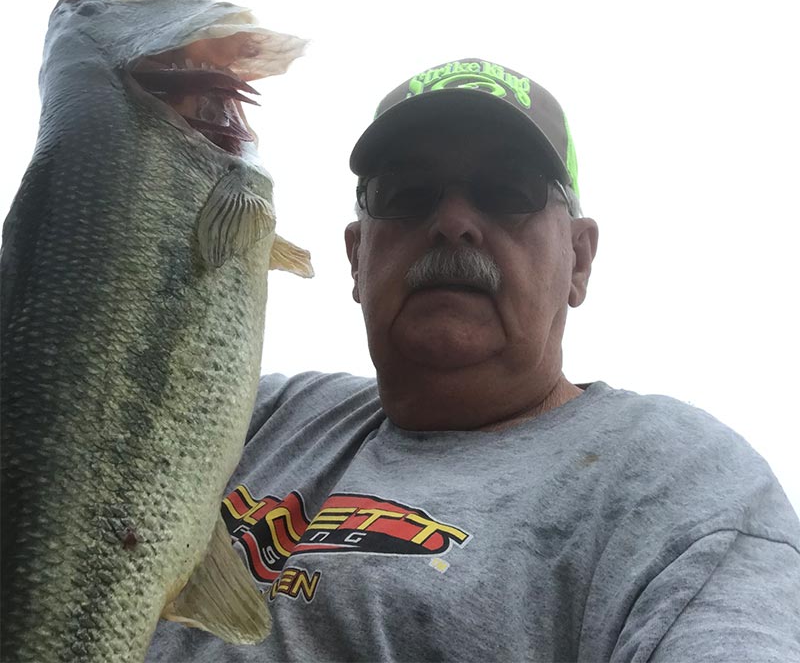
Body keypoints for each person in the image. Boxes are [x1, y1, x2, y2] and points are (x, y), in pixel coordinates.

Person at [148, 58, 800, 662]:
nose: (454, 221)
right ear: (355, 256)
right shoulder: (255, 418)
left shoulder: (680, 478)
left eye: (506, 190)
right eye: (407, 194)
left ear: (580, 258)